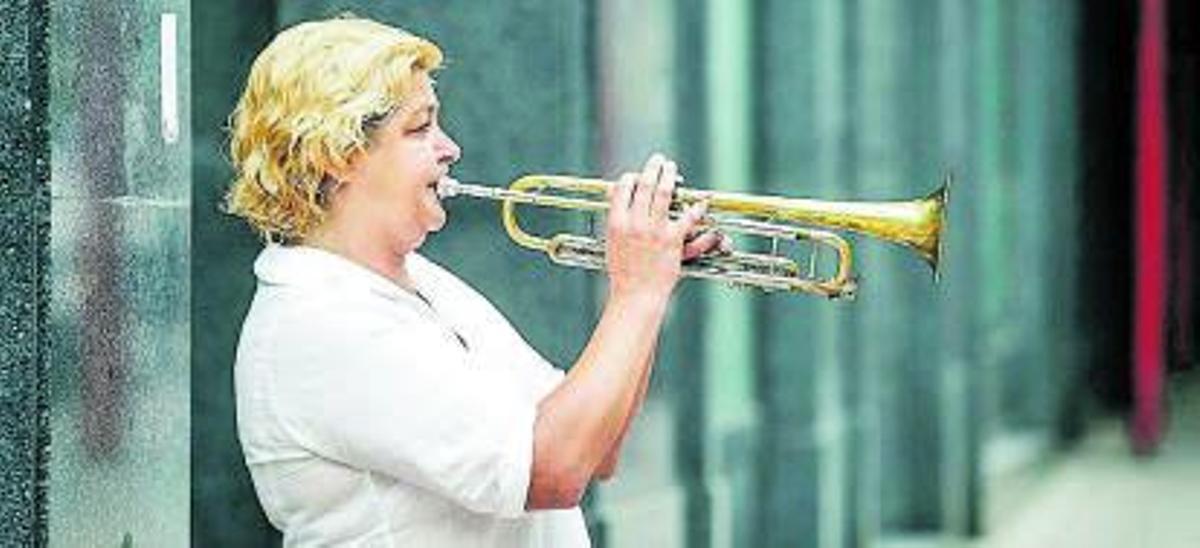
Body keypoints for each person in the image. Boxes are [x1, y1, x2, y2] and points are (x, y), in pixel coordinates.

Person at [227, 15, 724, 547]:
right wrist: (637, 291)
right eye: (419, 128)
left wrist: (654, 280)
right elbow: (550, 471)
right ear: (339, 154)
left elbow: (595, 449)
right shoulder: (320, 324)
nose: (450, 148)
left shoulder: (417, 281)